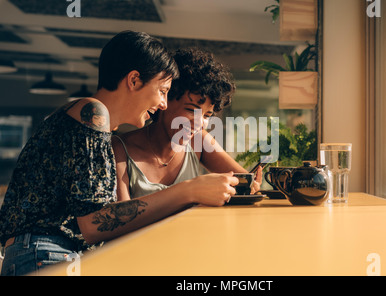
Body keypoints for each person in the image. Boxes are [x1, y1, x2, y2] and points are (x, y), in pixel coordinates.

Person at [0, 31, 238, 276]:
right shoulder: (92, 112)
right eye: (163, 90)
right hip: (45, 254)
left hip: (54, 254)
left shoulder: (99, 126)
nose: (164, 104)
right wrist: (189, 190)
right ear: (134, 80)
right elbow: (93, 224)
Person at [112, 47, 262, 203]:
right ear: (164, 99)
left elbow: (243, 181)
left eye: (207, 115)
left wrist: (252, 185)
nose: (199, 123)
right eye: (191, 110)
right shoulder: (119, 149)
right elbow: (120, 220)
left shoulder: (197, 140)